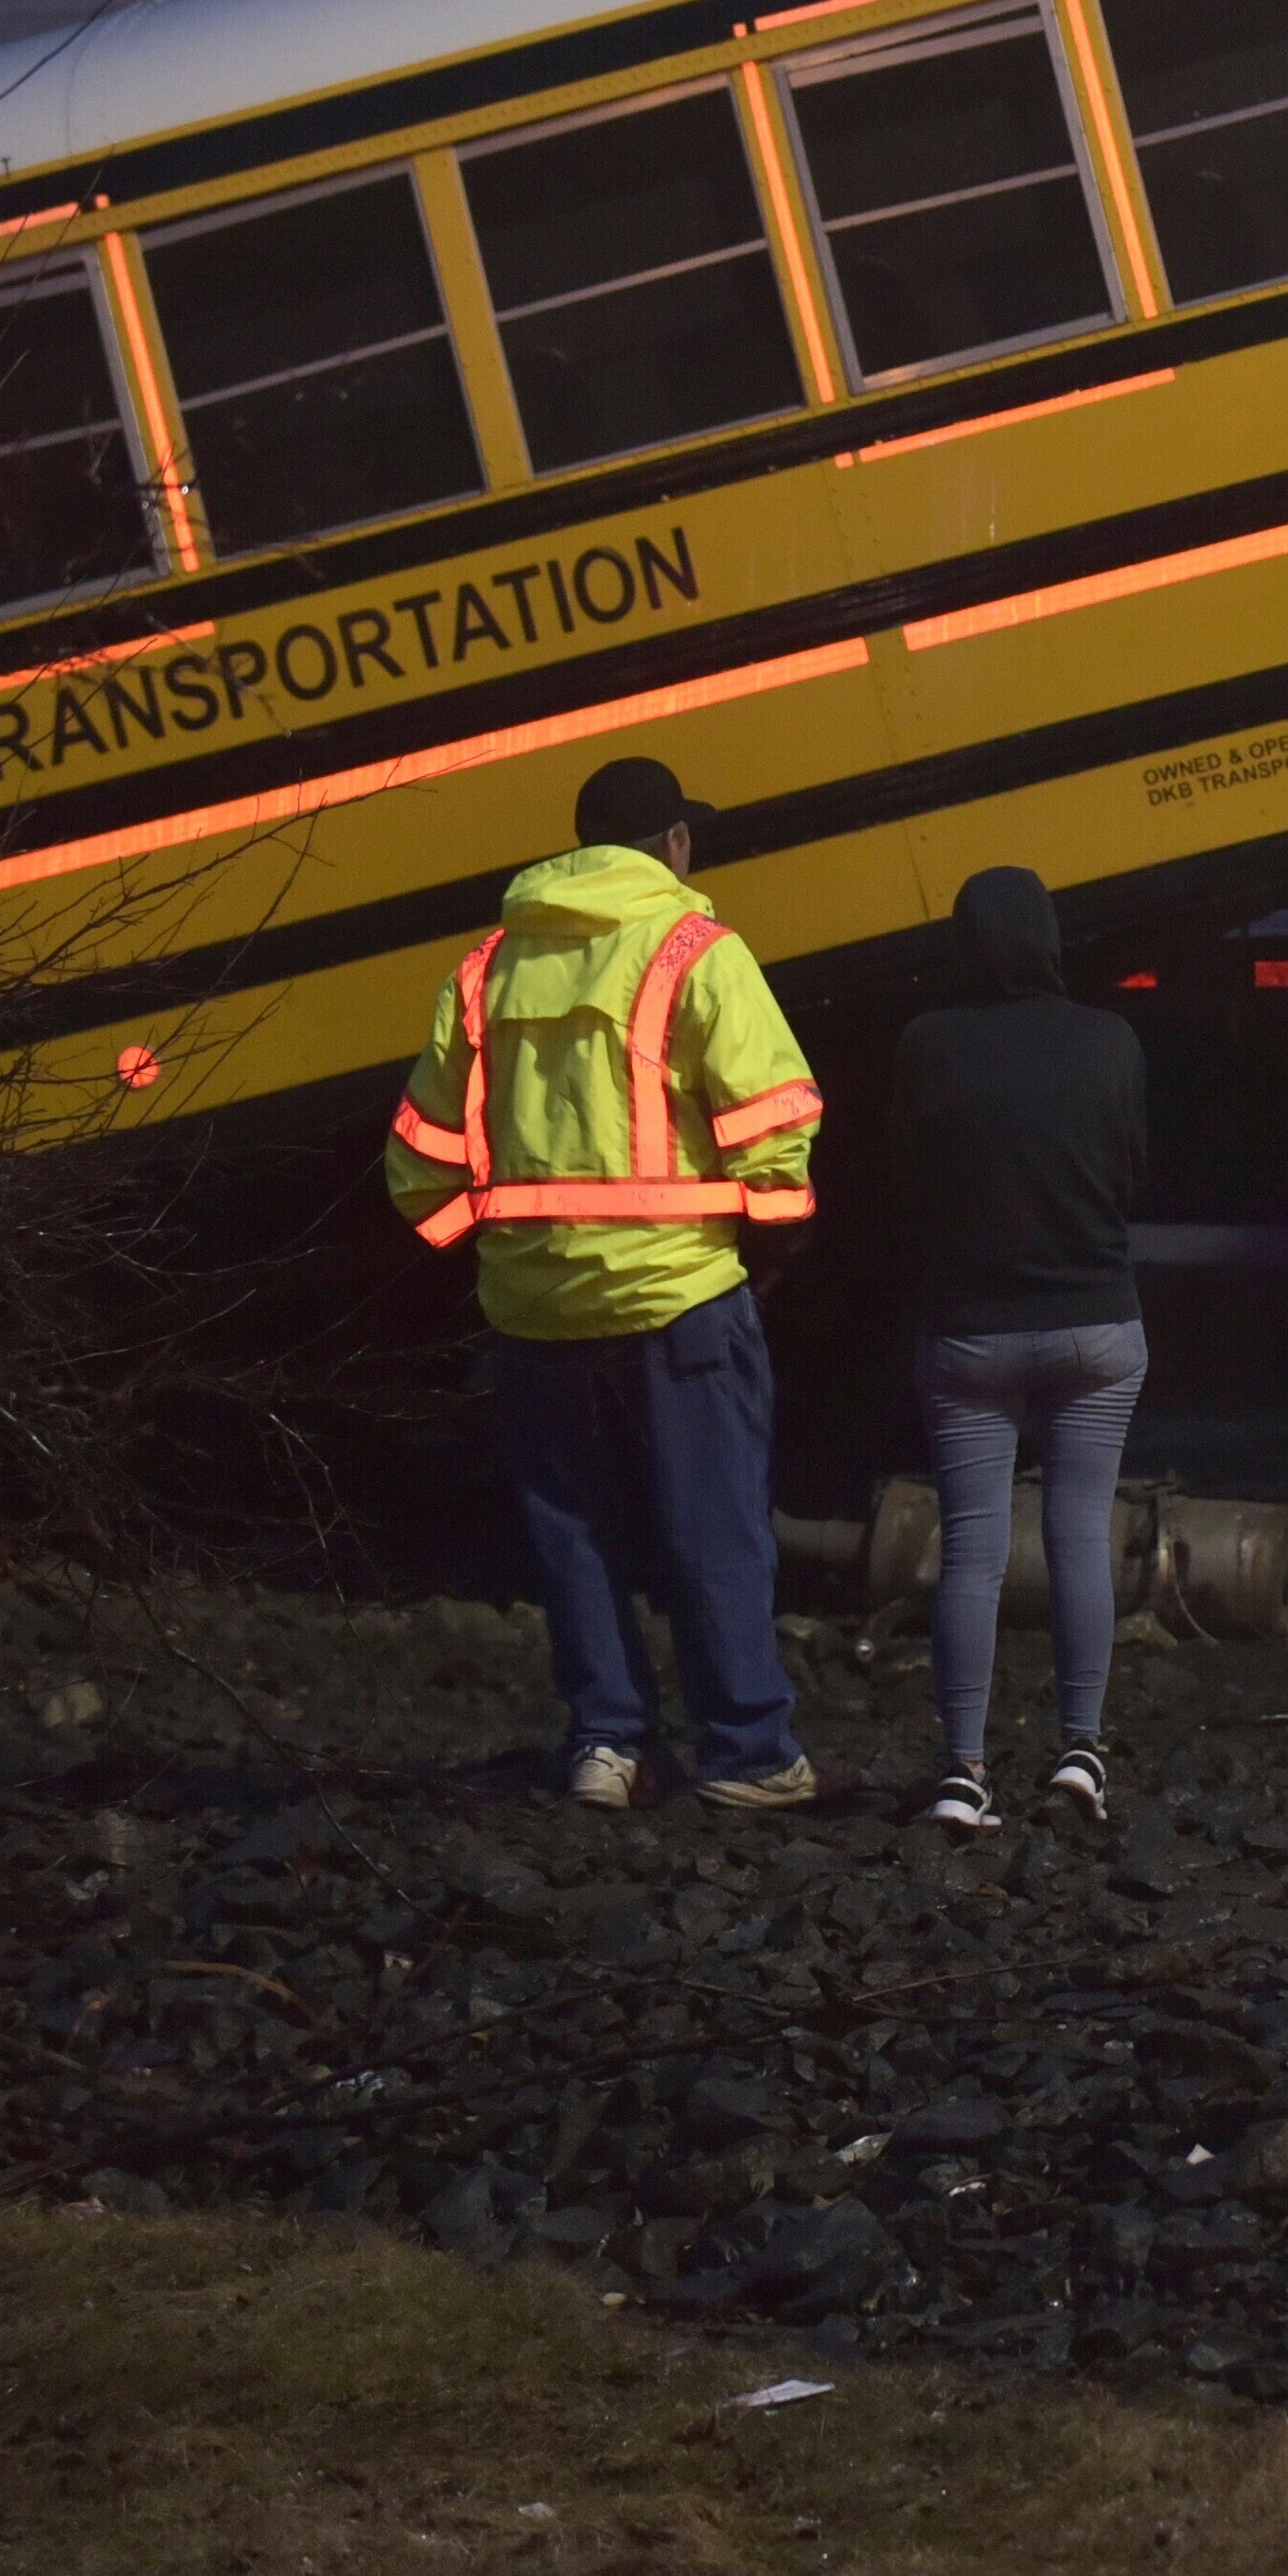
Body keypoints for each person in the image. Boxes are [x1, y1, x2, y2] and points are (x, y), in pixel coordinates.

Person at [385, 755, 825, 1812]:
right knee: (711, 1524)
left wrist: (500, 1258)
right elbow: (777, 1129)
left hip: (534, 1313)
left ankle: (608, 1745)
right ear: (673, 842)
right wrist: (763, 1255)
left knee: (571, 1531)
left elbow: (418, 1162)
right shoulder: (696, 953)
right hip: (678, 1299)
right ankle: (748, 1752)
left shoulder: (485, 969)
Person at [887, 866, 1155, 1836]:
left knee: (974, 1550)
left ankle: (962, 1770)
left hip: (971, 1333)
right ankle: (1079, 1753)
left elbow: (907, 1177)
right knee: (1081, 1536)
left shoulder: (927, 1044)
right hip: (1096, 1326)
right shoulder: (1110, 1039)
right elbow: (1131, 1168)